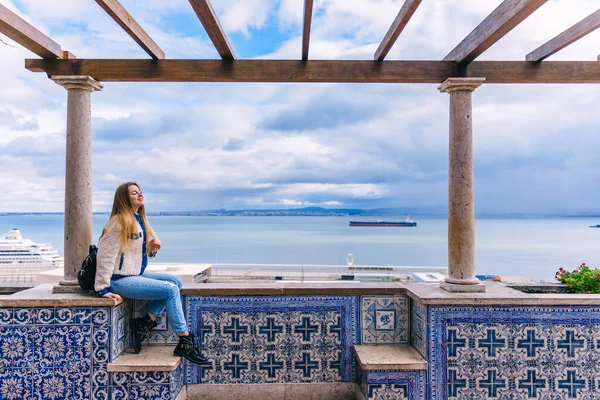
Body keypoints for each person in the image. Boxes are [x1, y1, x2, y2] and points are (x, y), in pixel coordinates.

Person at [95, 182, 207, 364]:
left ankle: (145, 322)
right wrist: (103, 288)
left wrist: (152, 249)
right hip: (119, 280)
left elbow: (136, 255)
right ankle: (185, 341)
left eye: (140, 192)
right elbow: (105, 256)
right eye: (134, 193)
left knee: (176, 282)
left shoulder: (138, 219)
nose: (140, 195)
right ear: (124, 198)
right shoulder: (118, 222)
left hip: (134, 274)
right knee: (170, 290)